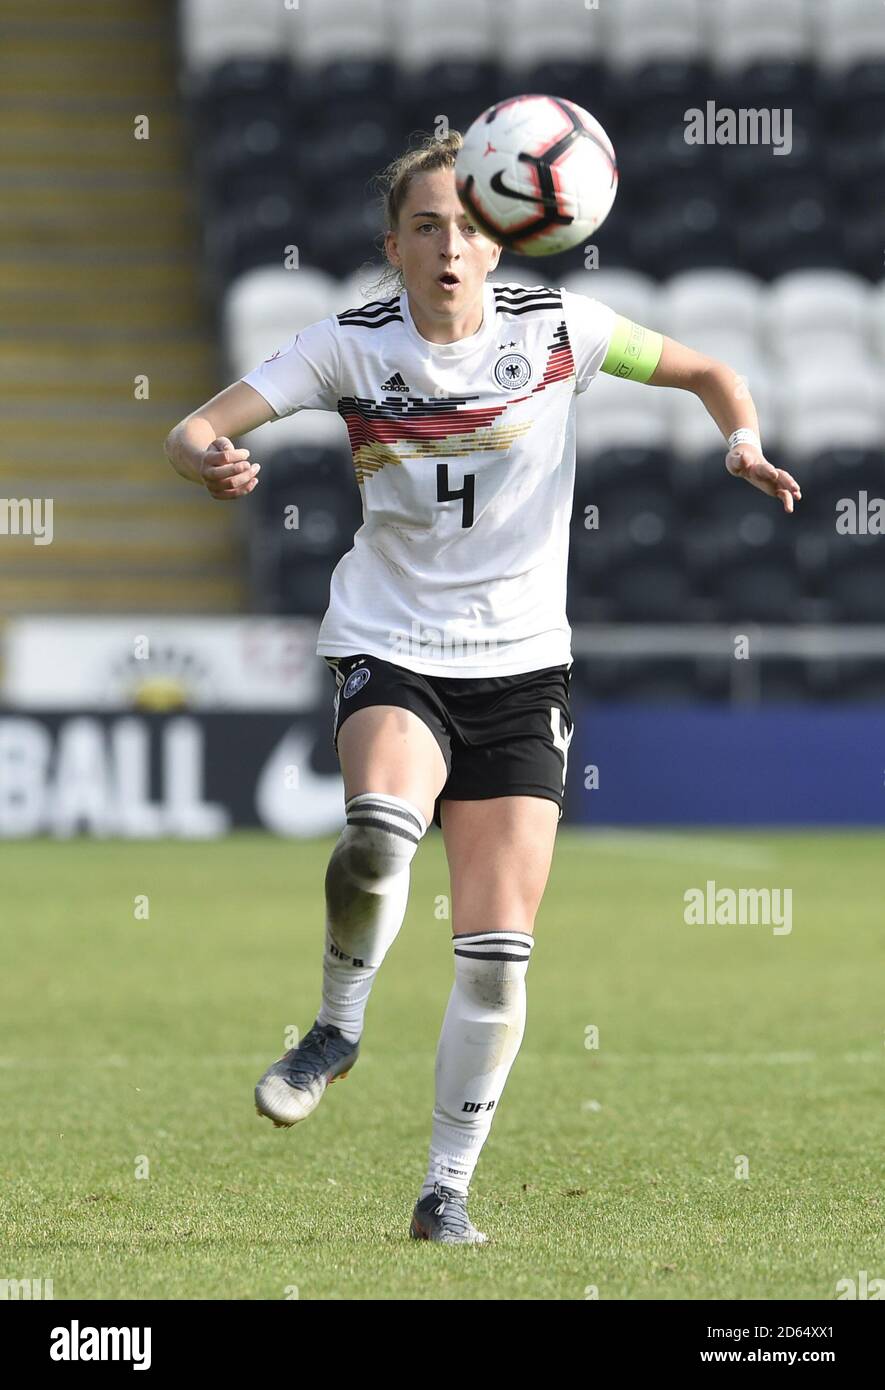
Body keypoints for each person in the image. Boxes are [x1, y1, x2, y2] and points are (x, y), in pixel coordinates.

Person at [164, 130, 801, 1245]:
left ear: (501, 242)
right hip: (394, 642)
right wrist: (208, 460)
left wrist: (740, 442)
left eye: (469, 227)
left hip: (522, 664)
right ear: (393, 245)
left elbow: (709, 370)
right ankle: (337, 1025)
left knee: (498, 960)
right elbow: (195, 424)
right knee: (376, 837)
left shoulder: (560, 330)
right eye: (427, 227)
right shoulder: (348, 348)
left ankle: (444, 1191)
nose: (451, 247)